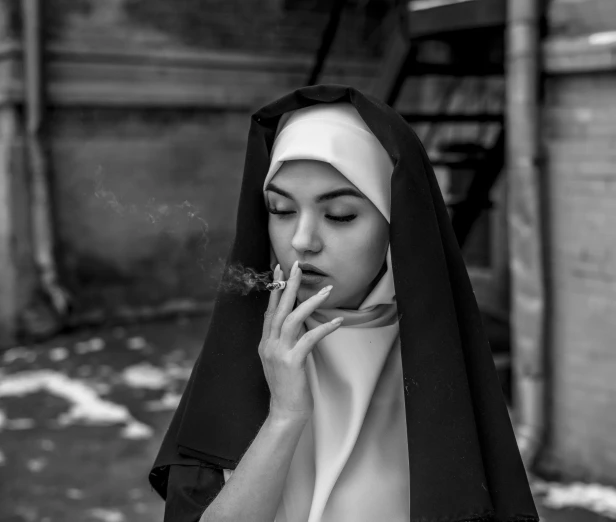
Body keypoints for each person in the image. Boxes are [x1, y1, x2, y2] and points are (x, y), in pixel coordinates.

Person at [150, 85, 539, 522]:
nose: (302, 241)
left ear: (395, 224)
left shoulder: (436, 366)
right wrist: (284, 417)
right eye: (280, 209)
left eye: (339, 215)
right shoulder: (242, 358)